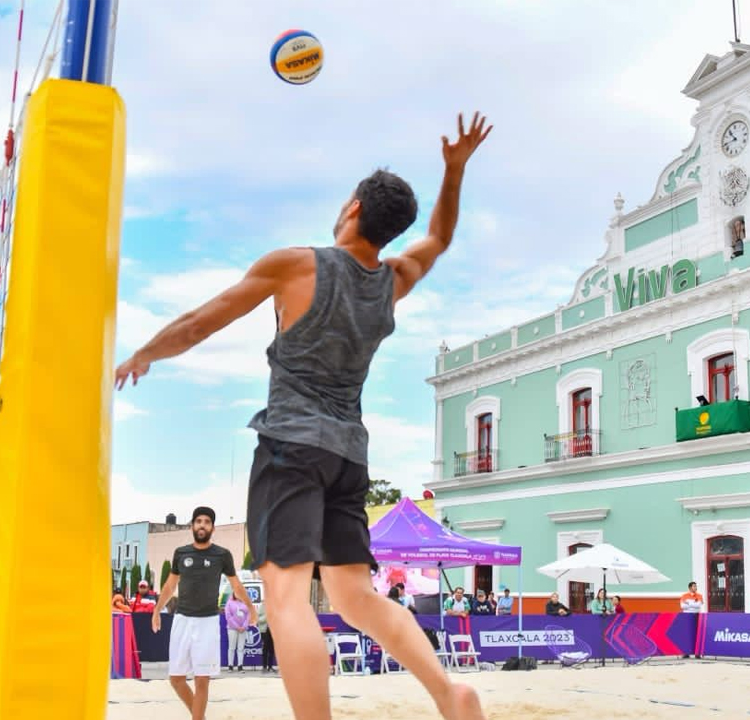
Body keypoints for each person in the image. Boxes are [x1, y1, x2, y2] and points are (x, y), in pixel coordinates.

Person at [117, 112, 492, 720]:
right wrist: (454, 172)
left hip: (291, 444)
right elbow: (441, 239)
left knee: (288, 597)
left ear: (351, 206)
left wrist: (143, 354)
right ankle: (449, 692)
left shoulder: (296, 264)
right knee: (355, 597)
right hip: (349, 455)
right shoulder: (392, 280)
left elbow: (198, 323)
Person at [150, 506, 256, 720]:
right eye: (198, 521)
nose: (202, 525)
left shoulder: (222, 555)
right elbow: (170, 586)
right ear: (192, 526)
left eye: (207, 522)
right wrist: (156, 610)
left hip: (207, 622)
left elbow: (236, 586)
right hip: (182, 619)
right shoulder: (181, 553)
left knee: (202, 680)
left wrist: (251, 607)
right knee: (176, 679)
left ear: (212, 528)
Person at [224, 591, 251, 672]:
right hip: (232, 629)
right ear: (233, 594)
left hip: (243, 629)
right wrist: (237, 627)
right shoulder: (229, 603)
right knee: (232, 648)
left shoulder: (246, 602)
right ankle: (230, 666)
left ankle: (240, 666)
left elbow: (248, 615)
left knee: (241, 648)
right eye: (236, 593)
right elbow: (228, 616)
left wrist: (244, 626)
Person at [679, 582, 704, 659]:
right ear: (690, 588)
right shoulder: (684, 596)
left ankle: (697, 653)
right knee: (687, 634)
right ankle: (686, 653)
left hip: (696, 615)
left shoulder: (699, 596)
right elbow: (682, 606)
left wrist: (688, 603)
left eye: (696, 586)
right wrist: (693, 604)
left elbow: (698, 605)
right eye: (694, 586)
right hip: (686, 616)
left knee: (697, 634)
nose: (696, 587)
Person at [256, 602, 277, 673]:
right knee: (265, 649)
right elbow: (257, 619)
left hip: (273, 630)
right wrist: (267, 616)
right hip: (264, 630)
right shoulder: (262, 606)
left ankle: (270, 667)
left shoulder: (275, 605)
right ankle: (264, 667)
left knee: (272, 649)